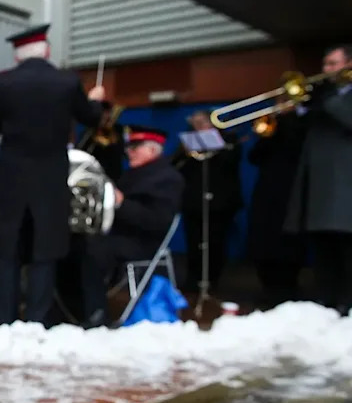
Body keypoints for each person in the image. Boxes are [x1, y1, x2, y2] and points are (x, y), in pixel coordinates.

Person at [0, 23, 105, 327]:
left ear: (18, 55)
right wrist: (97, 99)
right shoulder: (66, 81)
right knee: (45, 250)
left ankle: (7, 319)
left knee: (8, 249)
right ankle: (37, 319)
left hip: (11, 178)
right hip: (49, 178)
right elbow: (91, 118)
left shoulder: (3, 82)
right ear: (46, 50)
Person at [59, 126, 184, 326]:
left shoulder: (167, 179)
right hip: (119, 234)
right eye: (129, 147)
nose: (129, 152)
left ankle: (96, 313)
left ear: (152, 150)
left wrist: (121, 203)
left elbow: (156, 221)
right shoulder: (134, 174)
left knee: (93, 250)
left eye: (135, 148)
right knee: (71, 244)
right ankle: (72, 310)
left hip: (141, 242)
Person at [284, 44, 352, 315]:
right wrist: (298, 108)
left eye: (333, 63)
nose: (326, 70)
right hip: (320, 189)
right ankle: (327, 303)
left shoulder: (334, 99)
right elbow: (301, 136)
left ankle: (348, 304)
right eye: (325, 64)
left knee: (347, 252)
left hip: (345, 189)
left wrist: (325, 99)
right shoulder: (325, 96)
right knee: (324, 252)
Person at [174, 110, 242, 294]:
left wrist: (216, 146)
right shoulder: (188, 143)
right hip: (194, 201)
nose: (198, 126)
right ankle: (193, 279)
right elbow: (175, 167)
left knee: (216, 241)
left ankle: (213, 279)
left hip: (220, 202)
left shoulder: (229, 140)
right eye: (195, 123)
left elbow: (231, 162)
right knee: (194, 241)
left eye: (202, 122)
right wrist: (184, 154)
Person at [247, 103, 307, 308]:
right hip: (266, 189)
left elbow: (295, 148)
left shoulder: (301, 122)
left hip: (292, 187)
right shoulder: (272, 126)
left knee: (288, 238)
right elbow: (254, 157)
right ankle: (268, 286)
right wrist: (268, 132)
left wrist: (286, 120)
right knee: (262, 235)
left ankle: (287, 287)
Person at [77, 101, 126, 182]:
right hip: (94, 175)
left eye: (108, 113)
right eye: (103, 113)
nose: (106, 116)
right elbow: (81, 151)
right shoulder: (89, 131)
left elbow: (119, 152)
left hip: (113, 176)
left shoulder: (117, 130)